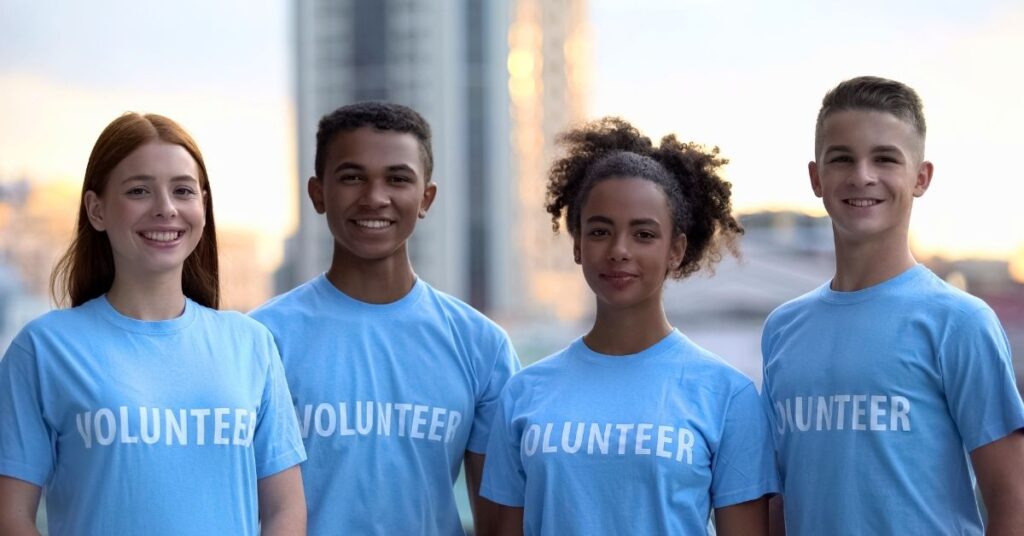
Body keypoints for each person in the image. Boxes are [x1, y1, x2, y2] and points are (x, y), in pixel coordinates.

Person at [0, 113, 307, 535]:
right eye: (139, 191)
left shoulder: (251, 344)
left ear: (202, 205)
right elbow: (10, 516)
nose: (166, 209)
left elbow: (285, 511)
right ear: (97, 209)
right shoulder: (43, 349)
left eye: (183, 190)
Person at [481, 117, 779, 535]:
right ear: (578, 245)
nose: (619, 250)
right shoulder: (523, 393)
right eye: (601, 231)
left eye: (643, 234)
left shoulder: (727, 395)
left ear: (676, 249)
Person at [761, 76, 1024, 535]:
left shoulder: (959, 321)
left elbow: (1014, 503)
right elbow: (782, 499)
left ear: (920, 178)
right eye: (841, 158)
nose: (862, 175)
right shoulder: (782, 328)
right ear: (815, 178)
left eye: (885, 158)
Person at [251, 101, 521, 535]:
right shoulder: (262, 339)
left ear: (426, 198)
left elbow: (500, 524)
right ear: (318, 194)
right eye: (352, 177)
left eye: (397, 179)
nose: (375, 198)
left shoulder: (481, 345)